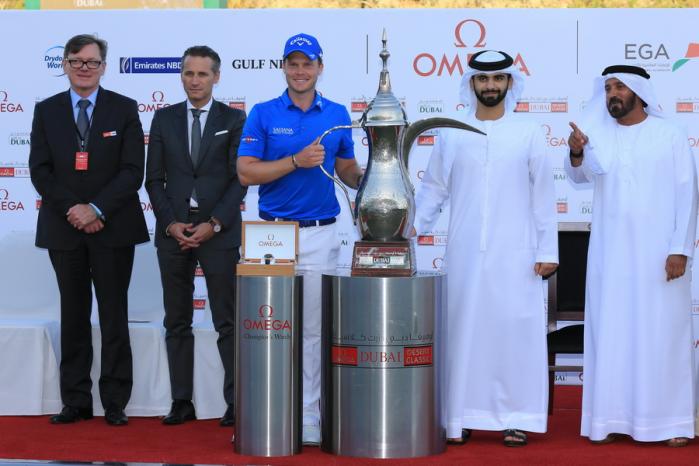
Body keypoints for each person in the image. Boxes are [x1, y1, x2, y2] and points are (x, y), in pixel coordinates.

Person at [414, 50, 558, 447]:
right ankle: (460, 418)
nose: (490, 86)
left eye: (498, 79)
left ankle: (516, 417)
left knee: (514, 334)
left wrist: (548, 250)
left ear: (510, 82)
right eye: (482, 79)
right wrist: (407, 229)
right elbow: (434, 191)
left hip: (518, 254)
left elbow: (543, 196)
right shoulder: (452, 130)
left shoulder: (529, 132)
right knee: (464, 333)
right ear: (471, 83)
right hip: (463, 252)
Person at [236, 33, 362, 445]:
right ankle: (268, 408)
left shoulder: (339, 114)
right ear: (284, 68)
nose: (300, 71)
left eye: (307, 63)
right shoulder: (263, 113)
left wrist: (375, 177)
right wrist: (294, 161)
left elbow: (347, 170)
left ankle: (309, 413)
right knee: (267, 327)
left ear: (320, 67)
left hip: (321, 233)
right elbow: (246, 173)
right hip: (271, 233)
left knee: (312, 331)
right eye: (293, 63)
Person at [566, 65, 697, 447]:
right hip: (610, 256)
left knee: (662, 336)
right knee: (613, 335)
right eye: (608, 88)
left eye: (620, 87)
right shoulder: (597, 137)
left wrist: (680, 249)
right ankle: (609, 419)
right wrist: (577, 152)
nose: (612, 94)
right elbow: (579, 178)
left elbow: (688, 196)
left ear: (639, 91)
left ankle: (671, 423)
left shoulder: (670, 134)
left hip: (662, 257)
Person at [29, 34, 149, 426]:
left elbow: (133, 171)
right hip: (64, 228)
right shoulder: (45, 111)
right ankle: (75, 400)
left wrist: (96, 208)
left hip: (113, 227)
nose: (84, 67)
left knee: (114, 314)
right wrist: (75, 209)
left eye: (92, 62)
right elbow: (40, 170)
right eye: (77, 61)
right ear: (64, 64)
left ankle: (115, 401)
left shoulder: (125, 108)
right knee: (73, 314)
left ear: (104, 66)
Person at [145, 46, 246, 426]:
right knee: (177, 320)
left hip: (218, 233)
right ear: (182, 76)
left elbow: (240, 179)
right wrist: (171, 224)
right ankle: (181, 402)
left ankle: (235, 403)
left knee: (227, 321)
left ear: (216, 77)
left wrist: (214, 224)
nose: (195, 80)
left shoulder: (235, 119)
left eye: (203, 74)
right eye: (189, 73)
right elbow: (153, 179)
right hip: (172, 232)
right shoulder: (164, 119)